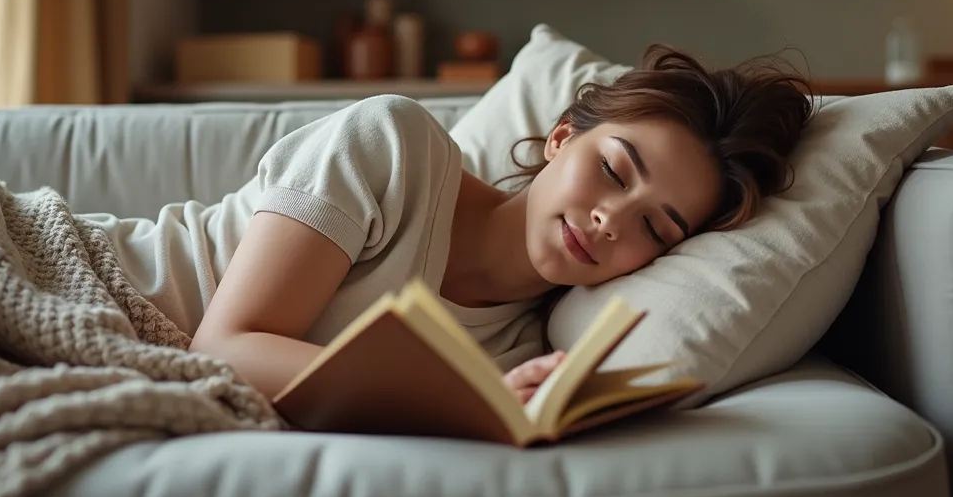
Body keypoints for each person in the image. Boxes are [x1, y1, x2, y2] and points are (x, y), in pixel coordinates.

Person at [173, 43, 814, 405]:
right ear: (562, 139)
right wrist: (467, 395)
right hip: (101, 274)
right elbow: (224, 346)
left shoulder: (521, 354)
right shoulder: (395, 147)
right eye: (615, 173)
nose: (609, 219)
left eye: (656, 228)